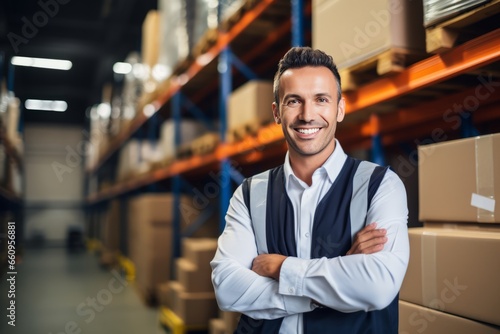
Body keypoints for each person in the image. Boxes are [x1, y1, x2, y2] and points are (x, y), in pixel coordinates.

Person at [210, 46, 409, 334]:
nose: (307, 114)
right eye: (294, 101)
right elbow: (227, 289)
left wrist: (282, 269)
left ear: (339, 109)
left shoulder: (381, 185)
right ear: (277, 113)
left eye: (321, 99)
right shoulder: (249, 194)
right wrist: (335, 281)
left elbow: (378, 286)